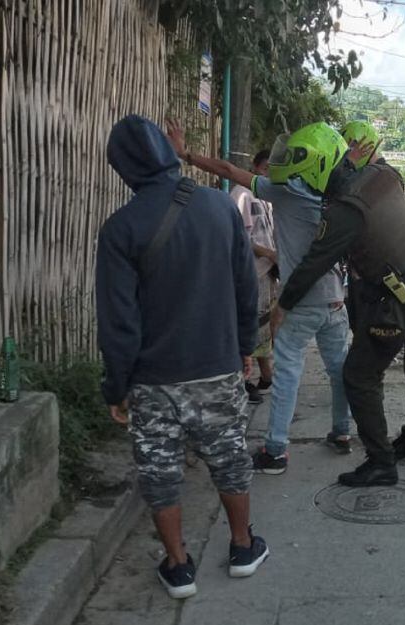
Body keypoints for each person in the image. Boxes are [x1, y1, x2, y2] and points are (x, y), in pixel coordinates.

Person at [96, 115, 270, 600]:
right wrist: (242, 350)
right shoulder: (219, 209)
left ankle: (178, 567)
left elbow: (119, 324)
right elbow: (245, 289)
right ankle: (242, 547)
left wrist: (117, 387)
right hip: (217, 366)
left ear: (123, 166)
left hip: (153, 381)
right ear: (166, 152)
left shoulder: (120, 229)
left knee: (160, 472)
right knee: (229, 459)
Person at [166, 121, 353, 474]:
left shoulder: (285, 191)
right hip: (335, 298)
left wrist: (186, 153)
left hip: (302, 301)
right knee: (338, 369)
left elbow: (229, 171)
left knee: (286, 375)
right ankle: (342, 433)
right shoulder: (333, 198)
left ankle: (276, 451)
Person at [269, 122, 405, 487]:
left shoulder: (344, 211)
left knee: (359, 375)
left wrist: (282, 306)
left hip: (402, 294)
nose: (302, 186)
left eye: (302, 178)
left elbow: (313, 263)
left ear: (318, 169)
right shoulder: (381, 174)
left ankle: (381, 461)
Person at [231, 149, 278, 405]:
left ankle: (264, 374)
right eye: (267, 169)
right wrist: (269, 253)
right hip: (252, 271)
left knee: (264, 325)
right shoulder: (242, 195)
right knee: (252, 324)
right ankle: (246, 381)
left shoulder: (266, 198)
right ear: (258, 168)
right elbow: (241, 238)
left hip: (267, 271)